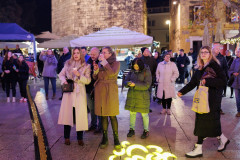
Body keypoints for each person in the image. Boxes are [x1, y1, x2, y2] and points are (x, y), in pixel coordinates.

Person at [178, 46, 229, 158]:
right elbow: (192, 83)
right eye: (202, 52)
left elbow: (223, 81)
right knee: (205, 121)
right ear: (199, 54)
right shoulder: (200, 68)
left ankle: (198, 148)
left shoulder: (214, 65)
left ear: (210, 54)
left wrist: (208, 81)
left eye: (206, 52)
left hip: (212, 100)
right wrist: (181, 91)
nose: (204, 54)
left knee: (207, 121)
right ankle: (222, 139)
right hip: (202, 99)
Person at [58, 47, 91, 146]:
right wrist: (65, 81)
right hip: (69, 92)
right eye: (74, 53)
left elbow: (88, 81)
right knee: (68, 115)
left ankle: (80, 138)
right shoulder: (67, 63)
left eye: (78, 53)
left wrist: (79, 75)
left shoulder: (86, 66)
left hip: (79, 92)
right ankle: (66, 137)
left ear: (81, 54)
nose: (76, 55)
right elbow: (61, 74)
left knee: (79, 115)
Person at [93, 46, 121, 149]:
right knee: (103, 115)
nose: (102, 54)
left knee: (112, 115)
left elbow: (112, 73)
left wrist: (104, 62)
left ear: (110, 53)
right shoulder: (101, 63)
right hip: (100, 91)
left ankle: (116, 138)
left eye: (104, 52)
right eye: (102, 52)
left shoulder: (116, 63)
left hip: (111, 91)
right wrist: (95, 70)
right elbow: (95, 77)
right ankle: (104, 138)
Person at [124, 58, 152, 139]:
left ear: (140, 65)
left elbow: (147, 85)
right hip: (132, 95)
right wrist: (128, 83)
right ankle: (131, 129)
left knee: (144, 114)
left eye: (137, 66)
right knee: (132, 113)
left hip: (142, 96)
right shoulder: (132, 70)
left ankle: (146, 130)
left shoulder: (146, 71)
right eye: (134, 66)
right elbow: (125, 80)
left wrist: (135, 85)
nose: (135, 67)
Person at [86, 47, 102, 134]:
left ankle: (100, 127)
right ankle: (93, 124)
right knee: (91, 108)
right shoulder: (88, 61)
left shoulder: (102, 61)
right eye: (91, 54)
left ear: (98, 54)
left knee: (98, 109)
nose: (92, 56)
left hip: (98, 89)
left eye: (94, 54)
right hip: (89, 88)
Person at [212, 44, 228, 115]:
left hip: (219, 79)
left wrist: (225, 77)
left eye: (219, 48)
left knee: (219, 95)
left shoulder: (222, 57)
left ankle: (219, 109)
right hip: (211, 79)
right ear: (213, 49)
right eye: (216, 48)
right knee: (212, 94)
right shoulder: (210, 57)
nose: (218, 50)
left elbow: (226, 67)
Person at [228, 49, 240, 117]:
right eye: (237, 52)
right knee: (237, 98)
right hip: (236, 82)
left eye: (238, 52)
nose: (237, 53)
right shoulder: (235, 60)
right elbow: (230, 69)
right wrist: (233, 73)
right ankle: (239, 111)